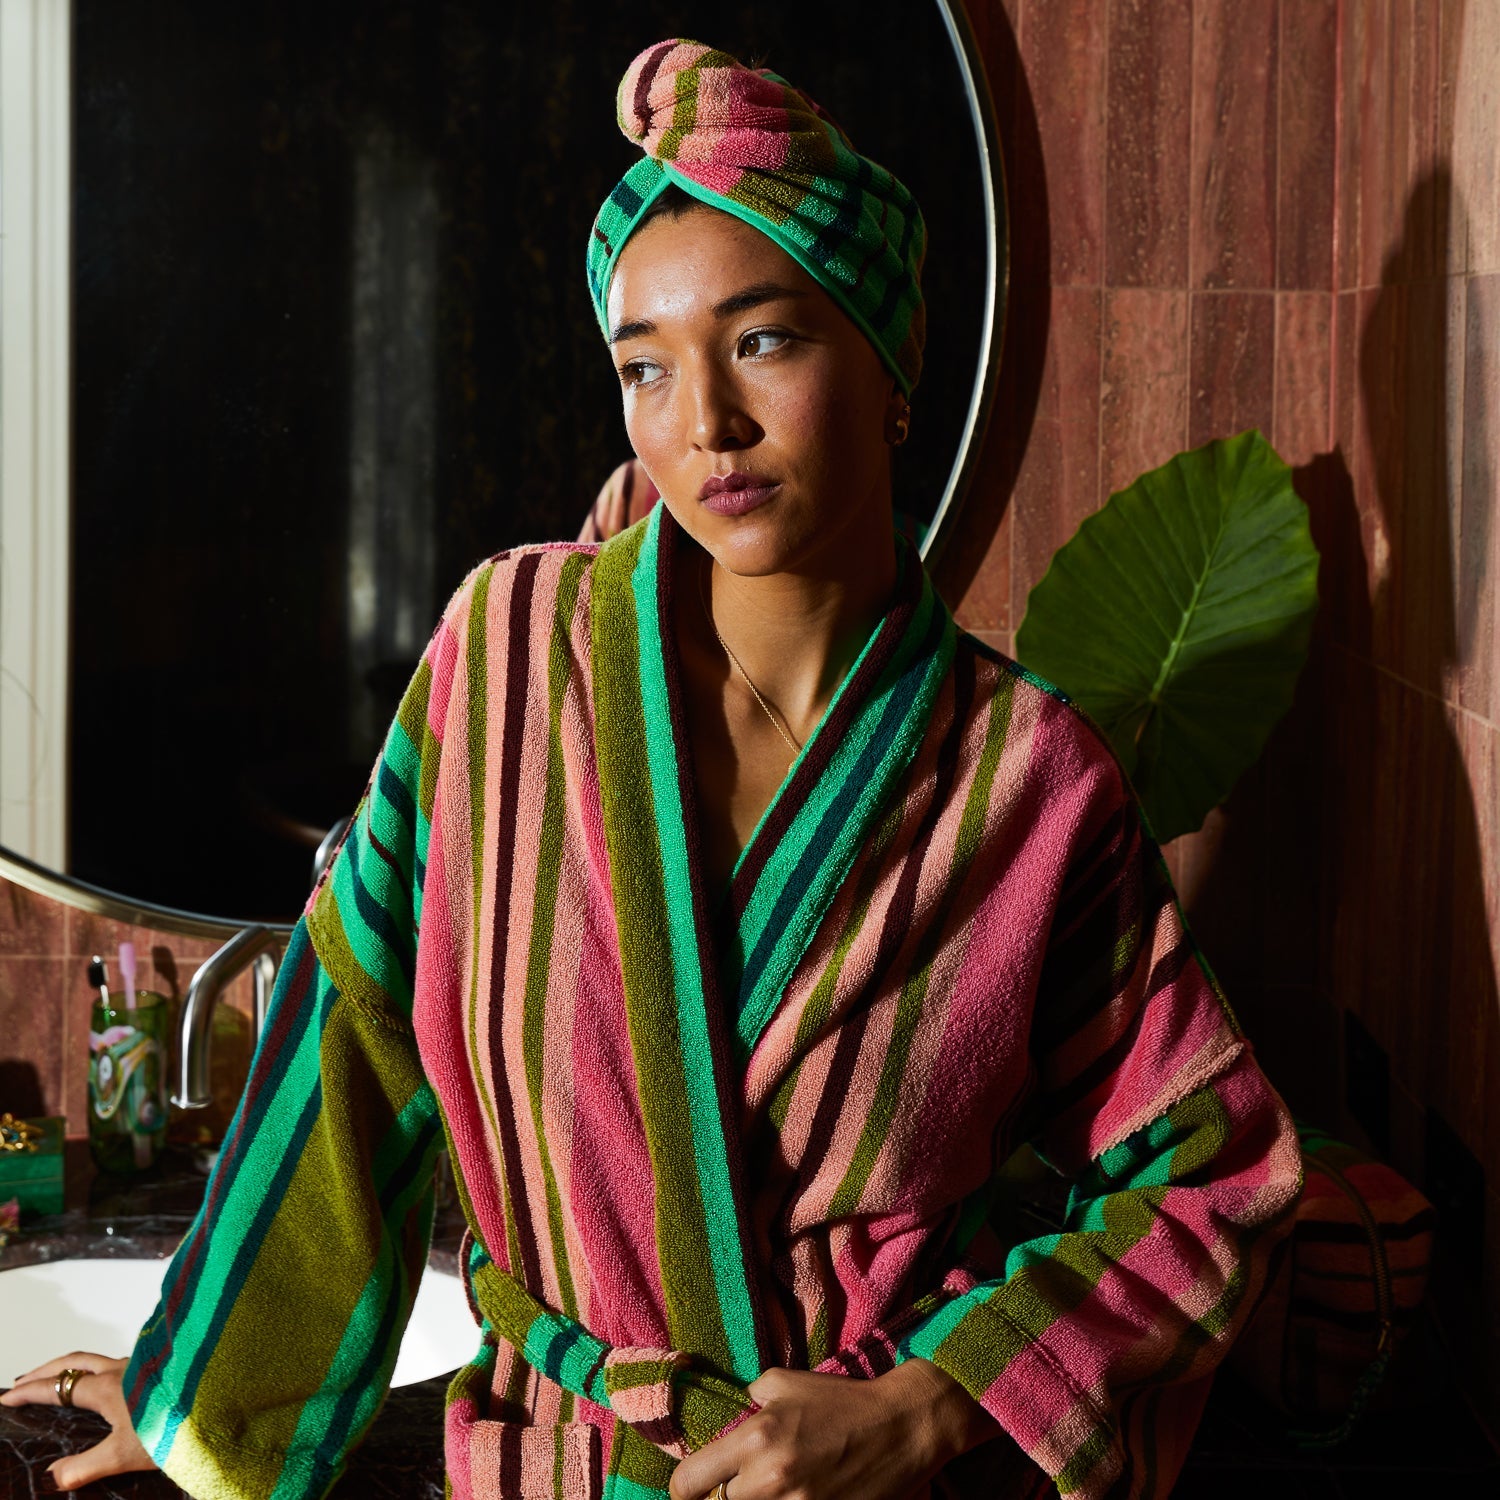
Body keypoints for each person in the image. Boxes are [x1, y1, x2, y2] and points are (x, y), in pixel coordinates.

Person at [3, 39, 1301, 1500]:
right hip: (549, 1464)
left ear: (888, 366)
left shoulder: (1030, 786)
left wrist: (934, 1405)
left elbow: (1206, 1167)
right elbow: (352, 1034)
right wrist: (199, 1400)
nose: (706, 423)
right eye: (645, 365)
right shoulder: (508, 657)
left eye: (763, 340)